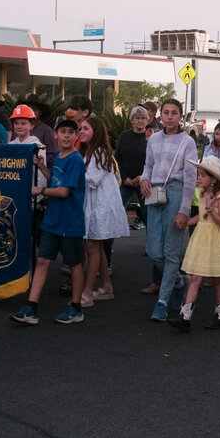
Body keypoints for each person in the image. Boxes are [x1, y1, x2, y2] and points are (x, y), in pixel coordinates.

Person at [10, 119, 88, 325]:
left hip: (70, 222)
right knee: (43, 260)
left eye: (71, 132)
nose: (66, 136)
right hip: (52, 220)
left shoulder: (75, 159)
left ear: (76, 136)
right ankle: (31, 306)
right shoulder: (60, 156)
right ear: (55, 135)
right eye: (62, 132)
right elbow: (55, 180)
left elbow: (63, 191)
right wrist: (43, 167)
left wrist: (40, 190)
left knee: (74, 264)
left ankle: (76, 307)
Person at [140, 99, 198, 322]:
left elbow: (191, 179)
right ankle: (177, 280)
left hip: (175, 192)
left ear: (180, 116)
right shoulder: (153, 138)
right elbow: (148, 165)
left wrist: (184, 210)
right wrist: (145, 179)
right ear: (160, 116)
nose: (170, 116)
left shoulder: (188, 142)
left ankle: (162, 303)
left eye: (174, 113)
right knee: (154, 251)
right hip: (153, 194)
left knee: (171, 250)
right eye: (166, 112)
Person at [169, 156, 220, 331]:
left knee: (219, 278)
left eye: (202, 175)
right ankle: (185, 316)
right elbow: (201, 217)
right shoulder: (201, 193)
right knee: (195, 276)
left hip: (216, 238)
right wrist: (187, 221)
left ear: (214, 179)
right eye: (198, 174)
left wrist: (211, 209)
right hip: (202, 237)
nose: (198, 178)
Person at [76, 116, 129, 307]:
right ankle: (106, 286)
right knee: (96, 247)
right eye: (80, 129)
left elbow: (91, 180)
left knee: (92, 247)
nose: (81, 131)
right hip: (95, 205)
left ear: (95, 131)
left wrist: (73, 173)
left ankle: (87, 291)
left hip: (100, 207)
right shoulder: (91, 152)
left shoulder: (100, 153)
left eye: (85, 129)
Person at [117, 106, 150, 234]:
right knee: (117, 209)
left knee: (147, 214)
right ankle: (109, 244)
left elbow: (153, 160)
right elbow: (117, 158)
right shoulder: (124, 136)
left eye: (143, 118)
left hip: (144, 181)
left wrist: (143, 177)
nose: (140, 121)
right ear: (132, 120)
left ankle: (151, 246)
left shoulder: (150, 138)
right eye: (137, 118)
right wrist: (125, 178)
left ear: (147, 120)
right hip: (126, 181)